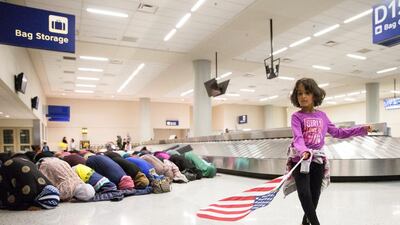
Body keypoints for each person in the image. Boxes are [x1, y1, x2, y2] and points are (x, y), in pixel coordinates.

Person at [286, 78, 371, 225]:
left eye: (307, 93)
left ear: (315, 95)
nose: (303, 97)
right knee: (304, 194)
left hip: (318, 161)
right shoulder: (296, 117)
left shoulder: (322, 116)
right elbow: (298, 138)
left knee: (314, 197)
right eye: (299, 93)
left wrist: (361, 129)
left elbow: (338, 132)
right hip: (300, 160)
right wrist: (303, 151)